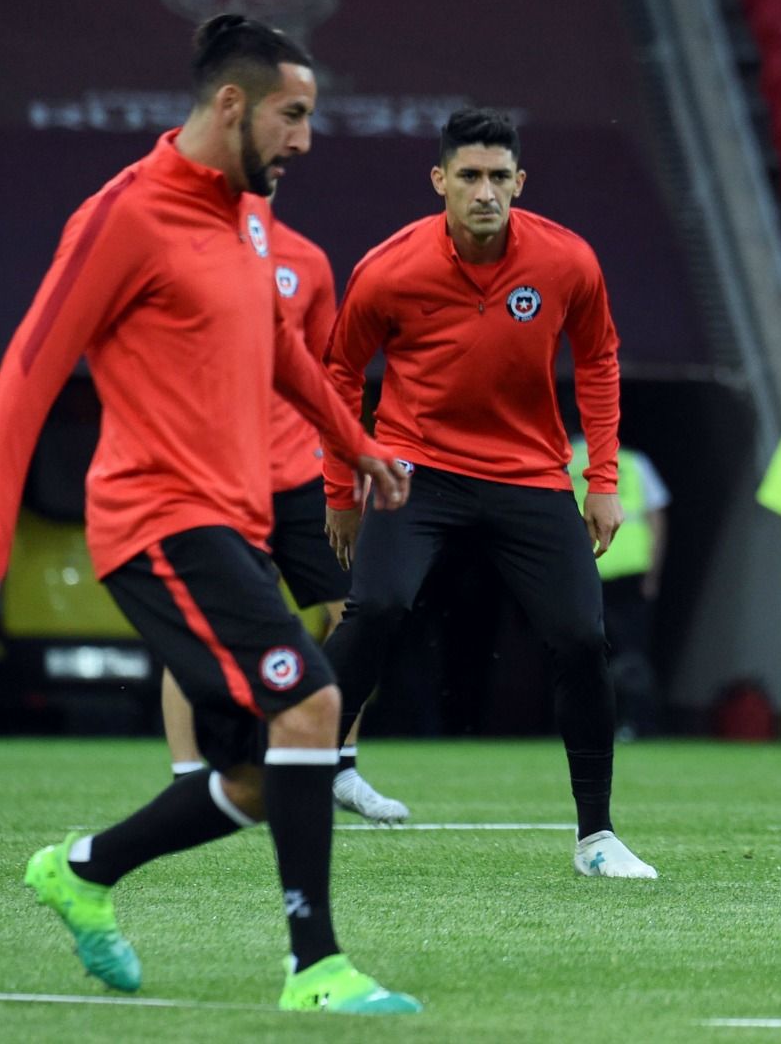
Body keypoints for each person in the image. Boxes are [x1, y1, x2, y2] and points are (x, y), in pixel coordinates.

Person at [0, 15, 418, 1013]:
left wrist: (353, 441)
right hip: (156, 522)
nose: (306, 140)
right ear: (231, 105)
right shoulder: (122, 215)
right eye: (293, 116)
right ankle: (315, 968)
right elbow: (27, 373)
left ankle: (80, 870)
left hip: (229, 521)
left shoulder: (245, 212)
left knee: (252, 778)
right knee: (314, 703)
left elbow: (284, 347)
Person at [319, 108, 657, 880]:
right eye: (468, 176)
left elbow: (599, 360)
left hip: (529, 474)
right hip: (416, 468)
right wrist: (342, 486)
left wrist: (599, 479)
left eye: (499, 177)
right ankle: (314, 762)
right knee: (378, 609)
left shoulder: (567, 260)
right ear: (439, 180)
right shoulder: (389, 267)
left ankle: (597, 838)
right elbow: (340, 372)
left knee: (579, 637)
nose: (484, 191)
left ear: (520, 183)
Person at [160, 198, 408, 824]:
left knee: (354, 614)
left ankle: (338, 768)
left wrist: (347, 462)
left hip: (299, 474)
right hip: (217, 474)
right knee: (200, 624)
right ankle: (189, 776)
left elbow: (332, 371)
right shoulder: (186, 254)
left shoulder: (307, 260)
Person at [569, 437, 669, 738]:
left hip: (585, 575)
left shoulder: (566, 462)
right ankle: (633, 723)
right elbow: (657, 519)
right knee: (630, 656)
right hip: (628, 574)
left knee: (588, 653)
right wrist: (653, 574)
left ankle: (591, 724)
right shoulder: (634, 463)